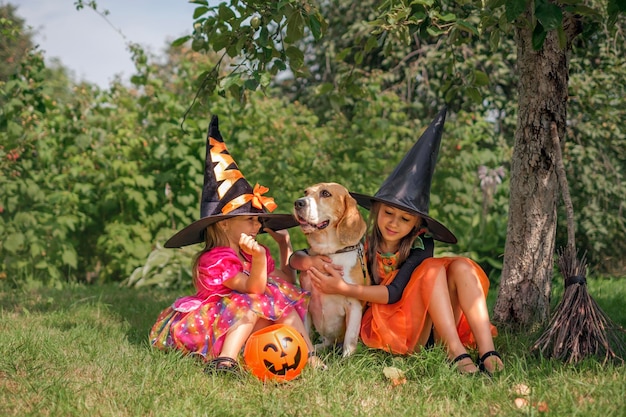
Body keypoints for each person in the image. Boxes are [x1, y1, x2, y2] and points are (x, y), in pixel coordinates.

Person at [290, 108, 503, 375]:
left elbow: (396, 290)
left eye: (405, 219)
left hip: (430, 322)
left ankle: (488, 350)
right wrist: (308, 260)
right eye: (388, 213)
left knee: (459, 265)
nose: (393, 224)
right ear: (377, 210)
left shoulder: (420, 243)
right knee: (434, 269)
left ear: (417, 224)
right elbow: (299, 255)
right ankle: (455, 351)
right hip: (392, 326)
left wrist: (344, 288)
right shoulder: (362, 242)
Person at [150, 115, 324, 372]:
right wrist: (258, 260)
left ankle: (308, 356)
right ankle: (225, 360)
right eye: (251, 220)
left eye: (259, 221)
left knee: (284, 306)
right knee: (251, 306)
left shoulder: (254, 253)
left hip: (243, 322)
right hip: (212, 325)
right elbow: (253, 288)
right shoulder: (217, 259)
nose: (258, 227)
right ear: (224, 223)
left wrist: (284, 245)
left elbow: (284, 281)